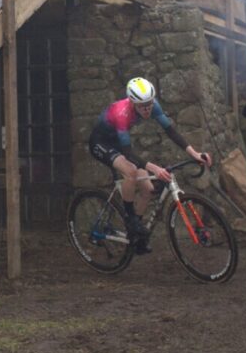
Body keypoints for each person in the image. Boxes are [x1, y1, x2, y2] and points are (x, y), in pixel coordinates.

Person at [88, 77, 212, 254]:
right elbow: (129, 154)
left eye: (149, 103)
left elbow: (171, 132)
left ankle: (135, 235)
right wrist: (154, 168)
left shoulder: (154, 106)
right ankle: (131, 219)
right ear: (132, 103)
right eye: (142, 105)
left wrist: (196, 154)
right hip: (101, 143)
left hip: (118, 144)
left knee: (148, 188)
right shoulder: (122, 112)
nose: (147, 109)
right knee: (130, 171)